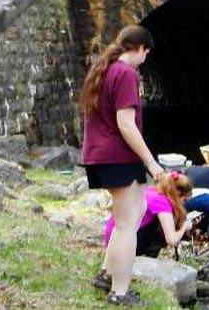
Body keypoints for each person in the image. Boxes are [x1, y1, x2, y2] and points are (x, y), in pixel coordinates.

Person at [78, 25, 163, 305]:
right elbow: (125, 124)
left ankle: (106, 272)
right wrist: (151, 162)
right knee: (128, 226)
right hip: (119, 156)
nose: (146, 58)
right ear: (138, 48)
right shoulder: (126, 73)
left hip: (102, 154)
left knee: (135, 211)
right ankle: (119, 291)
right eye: (146, 52)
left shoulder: (104, 69)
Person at [93, 173, 196, 292]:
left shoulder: (151, 191)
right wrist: (184, 227)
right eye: (184, 200)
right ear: (177, 193)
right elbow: (171, 240)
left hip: (113, 239)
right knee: (162, 229)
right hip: (124, 243)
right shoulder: (162, 202)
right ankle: (146, 263)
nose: (183, 203)